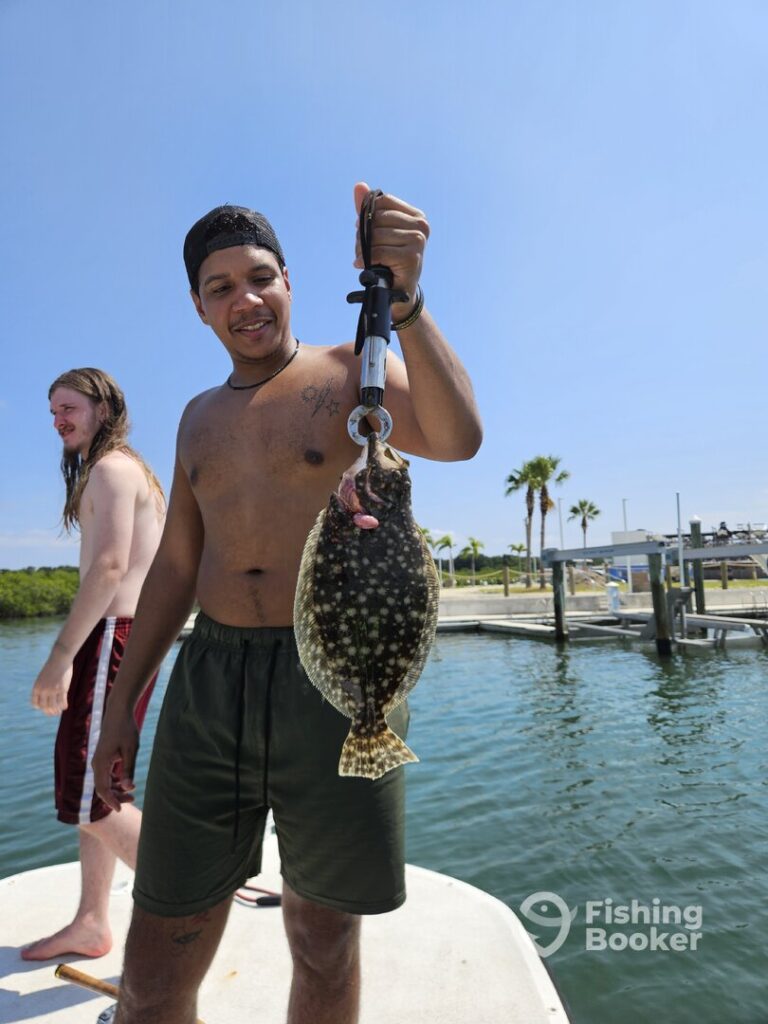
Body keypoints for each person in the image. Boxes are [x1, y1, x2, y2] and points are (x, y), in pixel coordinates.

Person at [92, 183, 483, 1024]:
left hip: (336, 687)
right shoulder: (197, 419)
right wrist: (122, 707)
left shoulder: (351, 373)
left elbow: (458, 438)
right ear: (198, 309)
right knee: (154, 968)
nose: (246, 299)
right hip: (211, 684)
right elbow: (174, 569)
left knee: (322, 940)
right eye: (220, 287)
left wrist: (407, 303)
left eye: (260, 277)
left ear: (292, 282)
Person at [22, 368, 166, 961]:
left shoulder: (109, 470)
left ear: (103, 409)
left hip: (113, 636)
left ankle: (188, 905)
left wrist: (59, 658)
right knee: (100, 791)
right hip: (127, 637)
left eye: (68, 406)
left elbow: (108, 569)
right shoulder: (133, 471)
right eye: (52, 410)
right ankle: (91, 922)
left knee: (84, 786)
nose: (58, 418)